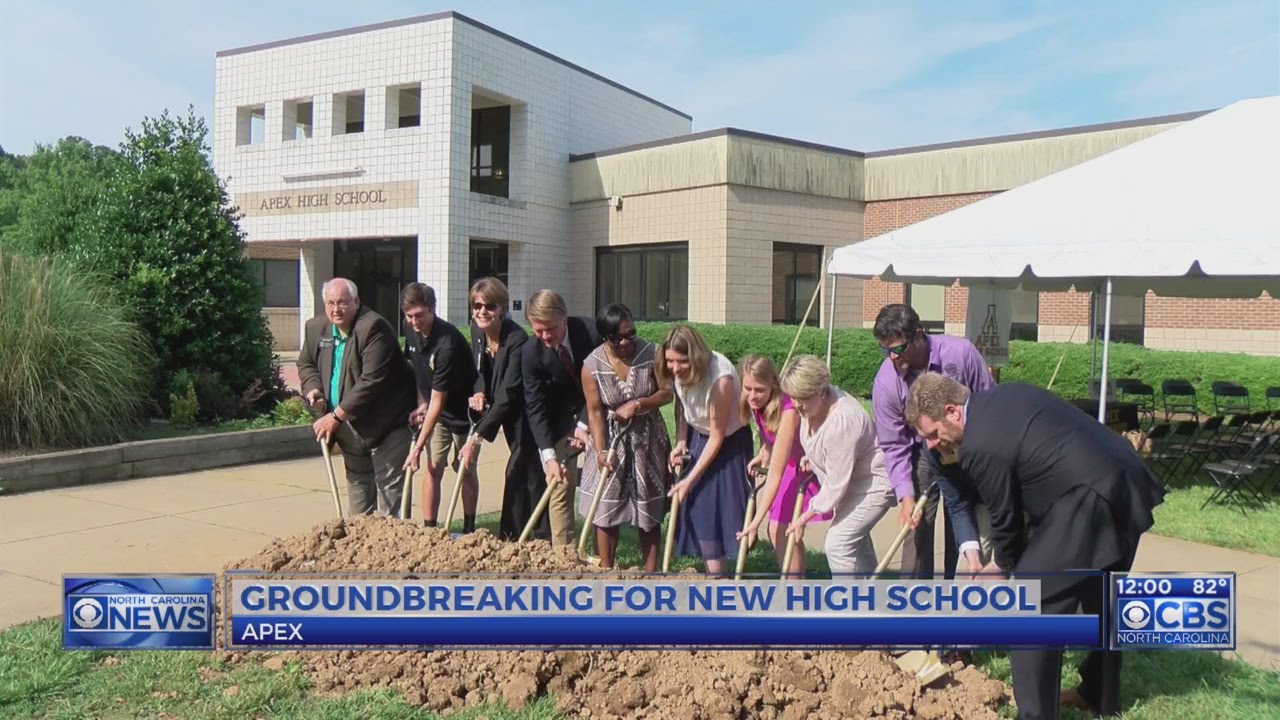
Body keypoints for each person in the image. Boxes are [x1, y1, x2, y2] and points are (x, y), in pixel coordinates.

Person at [905, 373, 1167, 720]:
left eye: (933, 434)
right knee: (1100, 597)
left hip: (1089, 499)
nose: (932, 445)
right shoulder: (1004, 397)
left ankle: (1034, 714)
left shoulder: (979, 444)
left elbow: (1005, 517)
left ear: (952, 412)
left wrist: (1000, 567)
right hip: (1124, 480)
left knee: (1031, 603)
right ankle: (1099, 696)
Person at [871, 303, 994, 580]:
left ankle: (958, 584)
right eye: (886, 350)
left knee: (962, 516)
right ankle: (913, 596)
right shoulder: (886, 384)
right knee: (918, 525)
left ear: (919, 334)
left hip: (970, 445)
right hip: (923, 453)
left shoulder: (961, 354)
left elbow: (988, 402)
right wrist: (906, 496)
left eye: (899, 348)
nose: (892, 356)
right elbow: (894, 446)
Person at [297, 278, 417, 516]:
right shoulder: (315, 328)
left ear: (356, 302)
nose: (336, 309)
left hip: (387, 426)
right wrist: (313, 389)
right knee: (358, 510)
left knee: (390, 506)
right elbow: (306, 363)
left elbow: (371, 381)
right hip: (350, 429)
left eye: (342, 302)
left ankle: (395, 540)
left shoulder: (373, 328)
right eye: (330, 303)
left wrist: (334, 417)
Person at [779, 356, 896, 574]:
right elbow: (825, 447)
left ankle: (845, 596)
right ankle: (870, 593)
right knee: (856, 545)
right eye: (792, 397)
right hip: (852, 482)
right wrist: (814, 458)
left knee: (838, 545)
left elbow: (836, 484)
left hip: (873, 485)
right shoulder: (811, 406)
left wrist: (803, 518)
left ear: (821, 391)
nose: (796, 404)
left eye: (802, 397)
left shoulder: (843, 422)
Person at [578, 304, 673, 571]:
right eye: (617, 338)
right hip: (611, 440)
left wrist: (639, 404)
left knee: (648, 508)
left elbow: (667, 392)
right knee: (605, 508)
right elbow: (595, 411)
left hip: (647, 439)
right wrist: (600, 450)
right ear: (604, 337)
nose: (625, 342)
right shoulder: (591, 366)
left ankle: (650, 571)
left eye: (630, 334)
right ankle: (607, 570)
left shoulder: (651, 354)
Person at [656, 325, 752, 577]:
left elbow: (717, 435)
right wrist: (681, 440)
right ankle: (713, 574)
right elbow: (682, 406)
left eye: (681, 361)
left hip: (728, 443)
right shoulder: (676, 373)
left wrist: (689, 480)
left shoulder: (720, 379)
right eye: (670, 361)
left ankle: (719, 580)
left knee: (715, 513)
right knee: (698, 511)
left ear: (695, 357)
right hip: (698, 436)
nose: (675, 368)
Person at [736, 354, 832, 576]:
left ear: (773, 385)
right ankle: (793, 581)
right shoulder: (758, 403)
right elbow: (769, 434)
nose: (752, 395)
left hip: (803, 466)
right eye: (747, 388)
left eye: (759, 390)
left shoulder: (788, 410)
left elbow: (775, 474)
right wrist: (765, 451)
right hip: (789, 462)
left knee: (779, 528)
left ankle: (795, 588)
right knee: (781, 530)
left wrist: (755, 522)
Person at [520, 289, 603, 547]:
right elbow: (535, 406)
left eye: (551, 329)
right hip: (559, 418)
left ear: (564, 317)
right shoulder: (531, 352)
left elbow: (602, 383)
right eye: (538, 330)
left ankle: (605, 550)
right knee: (559, 482)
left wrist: (583, 425)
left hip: (601, 410)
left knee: (605, 479)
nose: (545, 336)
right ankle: (563, 553)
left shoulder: (591, 333)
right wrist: (549, 457)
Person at [457, 278, 536, 541]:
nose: (482, 311)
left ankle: (515, 538)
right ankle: (521, 536)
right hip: (503, 408)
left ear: (502, 308)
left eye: (490, 306)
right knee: (524, 473)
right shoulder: (477, 330)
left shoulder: (517, 339)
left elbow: (509, 393)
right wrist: (479, 391)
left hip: (526, 412)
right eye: (477, 305)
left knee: (519, 472)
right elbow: (479, 369)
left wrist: (476, 437)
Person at [400, 283, 480, 531]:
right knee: (433, 467)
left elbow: (439, 399)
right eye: (409, 316)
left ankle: (469, 529)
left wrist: (417, 447)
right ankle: (430, 530)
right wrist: (420, 404)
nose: (414, 322)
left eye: (420, 316)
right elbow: (419, 371)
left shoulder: (447, 343)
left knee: (465, 469)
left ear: (432, 309)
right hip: (437, 411)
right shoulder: (409, 329)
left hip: (465, 413)